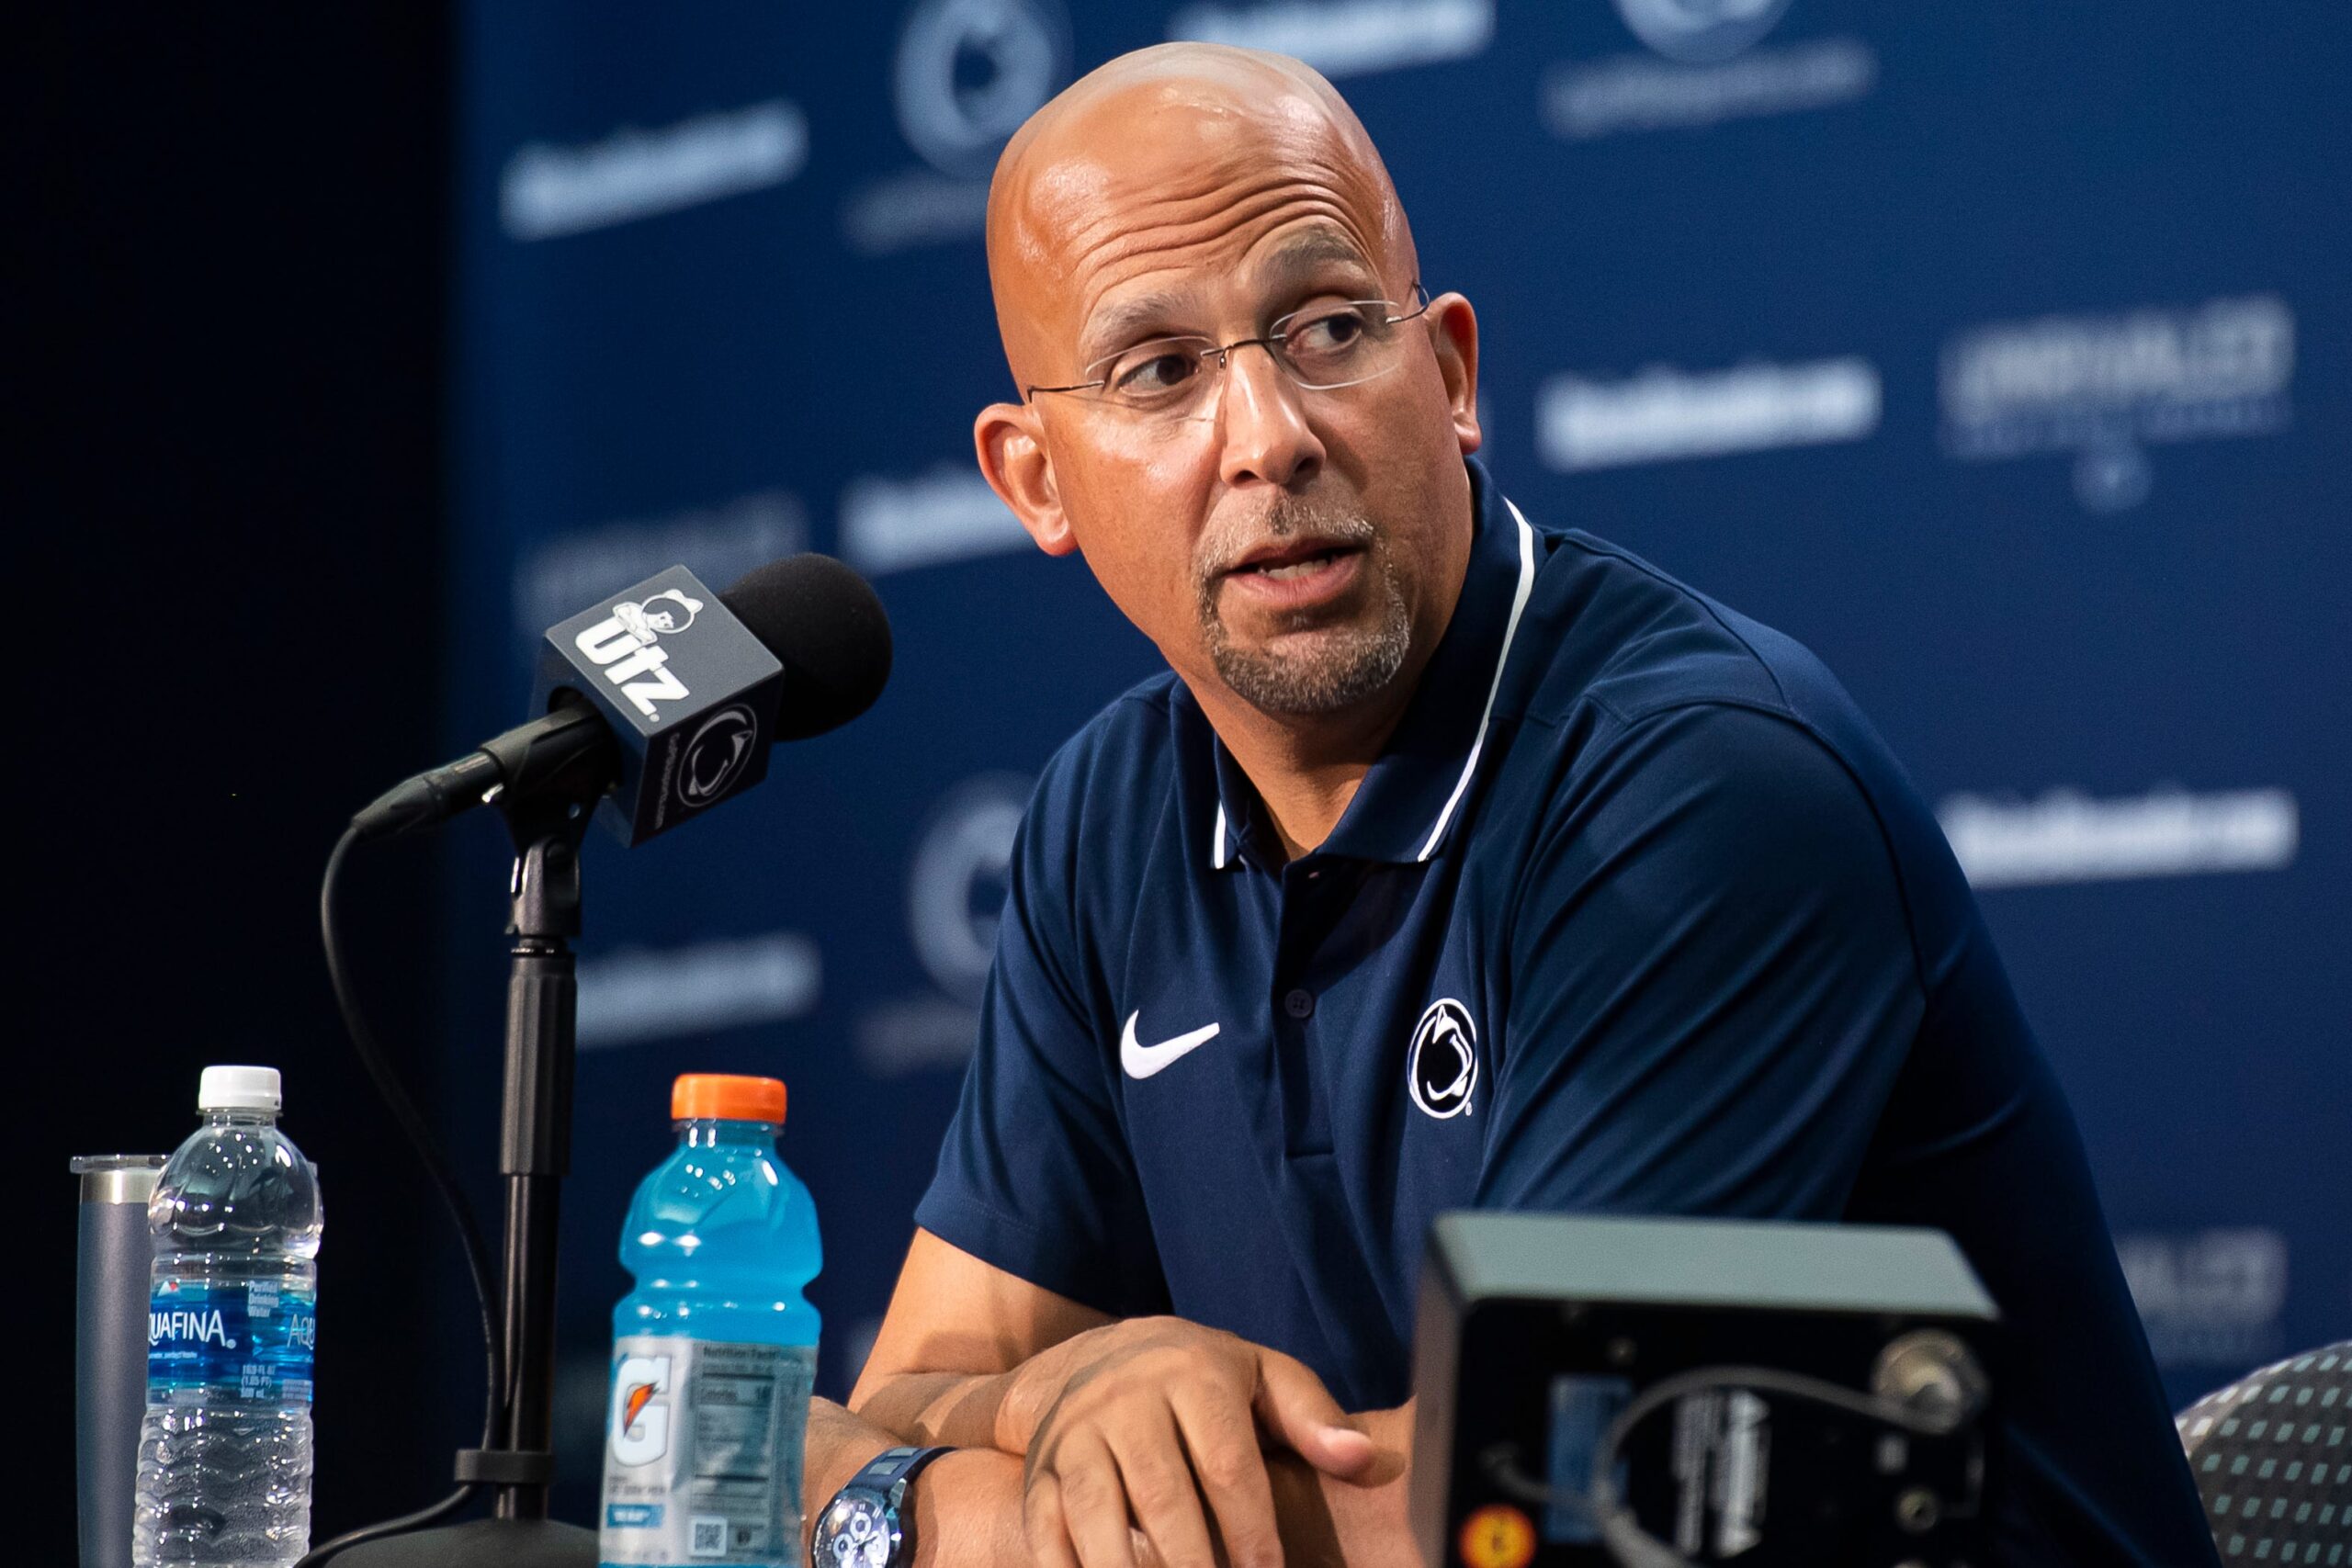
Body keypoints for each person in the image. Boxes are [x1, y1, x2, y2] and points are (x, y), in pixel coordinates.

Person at [800, 41, 2218, 1568]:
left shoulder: (1697, 787)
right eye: (1160, 373)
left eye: (1329, 326)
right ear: (1037, 485)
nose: (1268, 434)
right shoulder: (1109, 817)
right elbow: (910, 1384)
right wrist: (1072, 1390)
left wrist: (893, 1514)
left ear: (1452, 375)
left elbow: (1524, 1515)